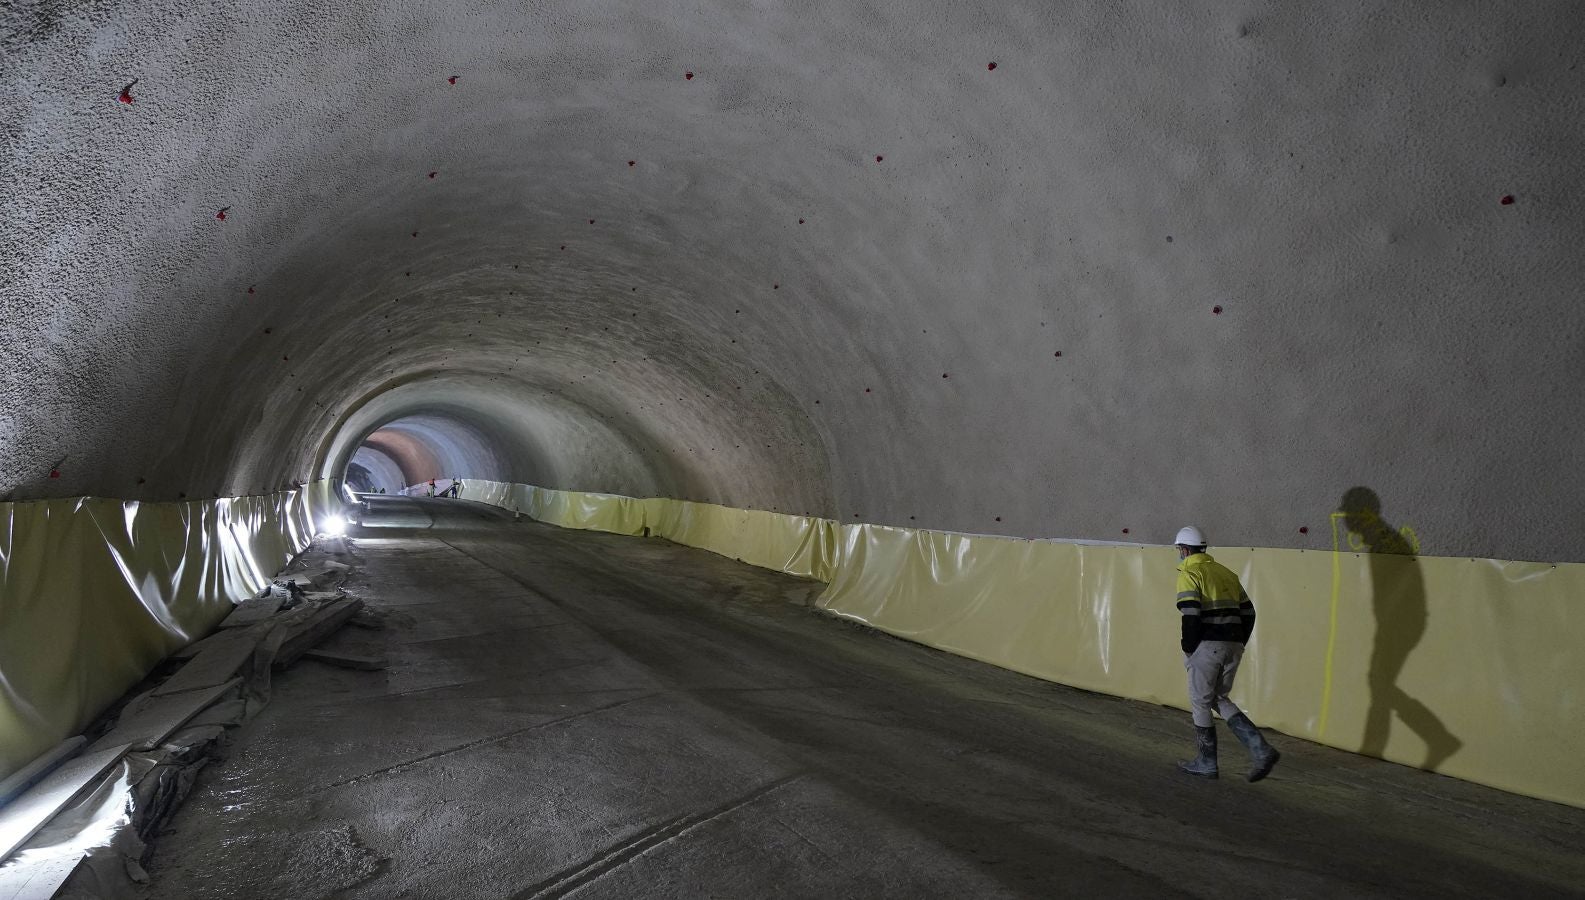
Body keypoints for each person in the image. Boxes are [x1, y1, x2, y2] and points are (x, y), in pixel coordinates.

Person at [1173, 525, 1280, 781]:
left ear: (1185, 550)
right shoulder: (1226, 574)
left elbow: (1190, 615)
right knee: (1218, 698)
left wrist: (1189, 647)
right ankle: (1261, 749)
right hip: (1233, 645)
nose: (1179, 554)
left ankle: (1207, 762)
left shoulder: (1190, 573)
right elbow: (1249, 613)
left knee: (1200, 701)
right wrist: (1238, 641)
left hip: (1207, 645)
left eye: (1179, 550)